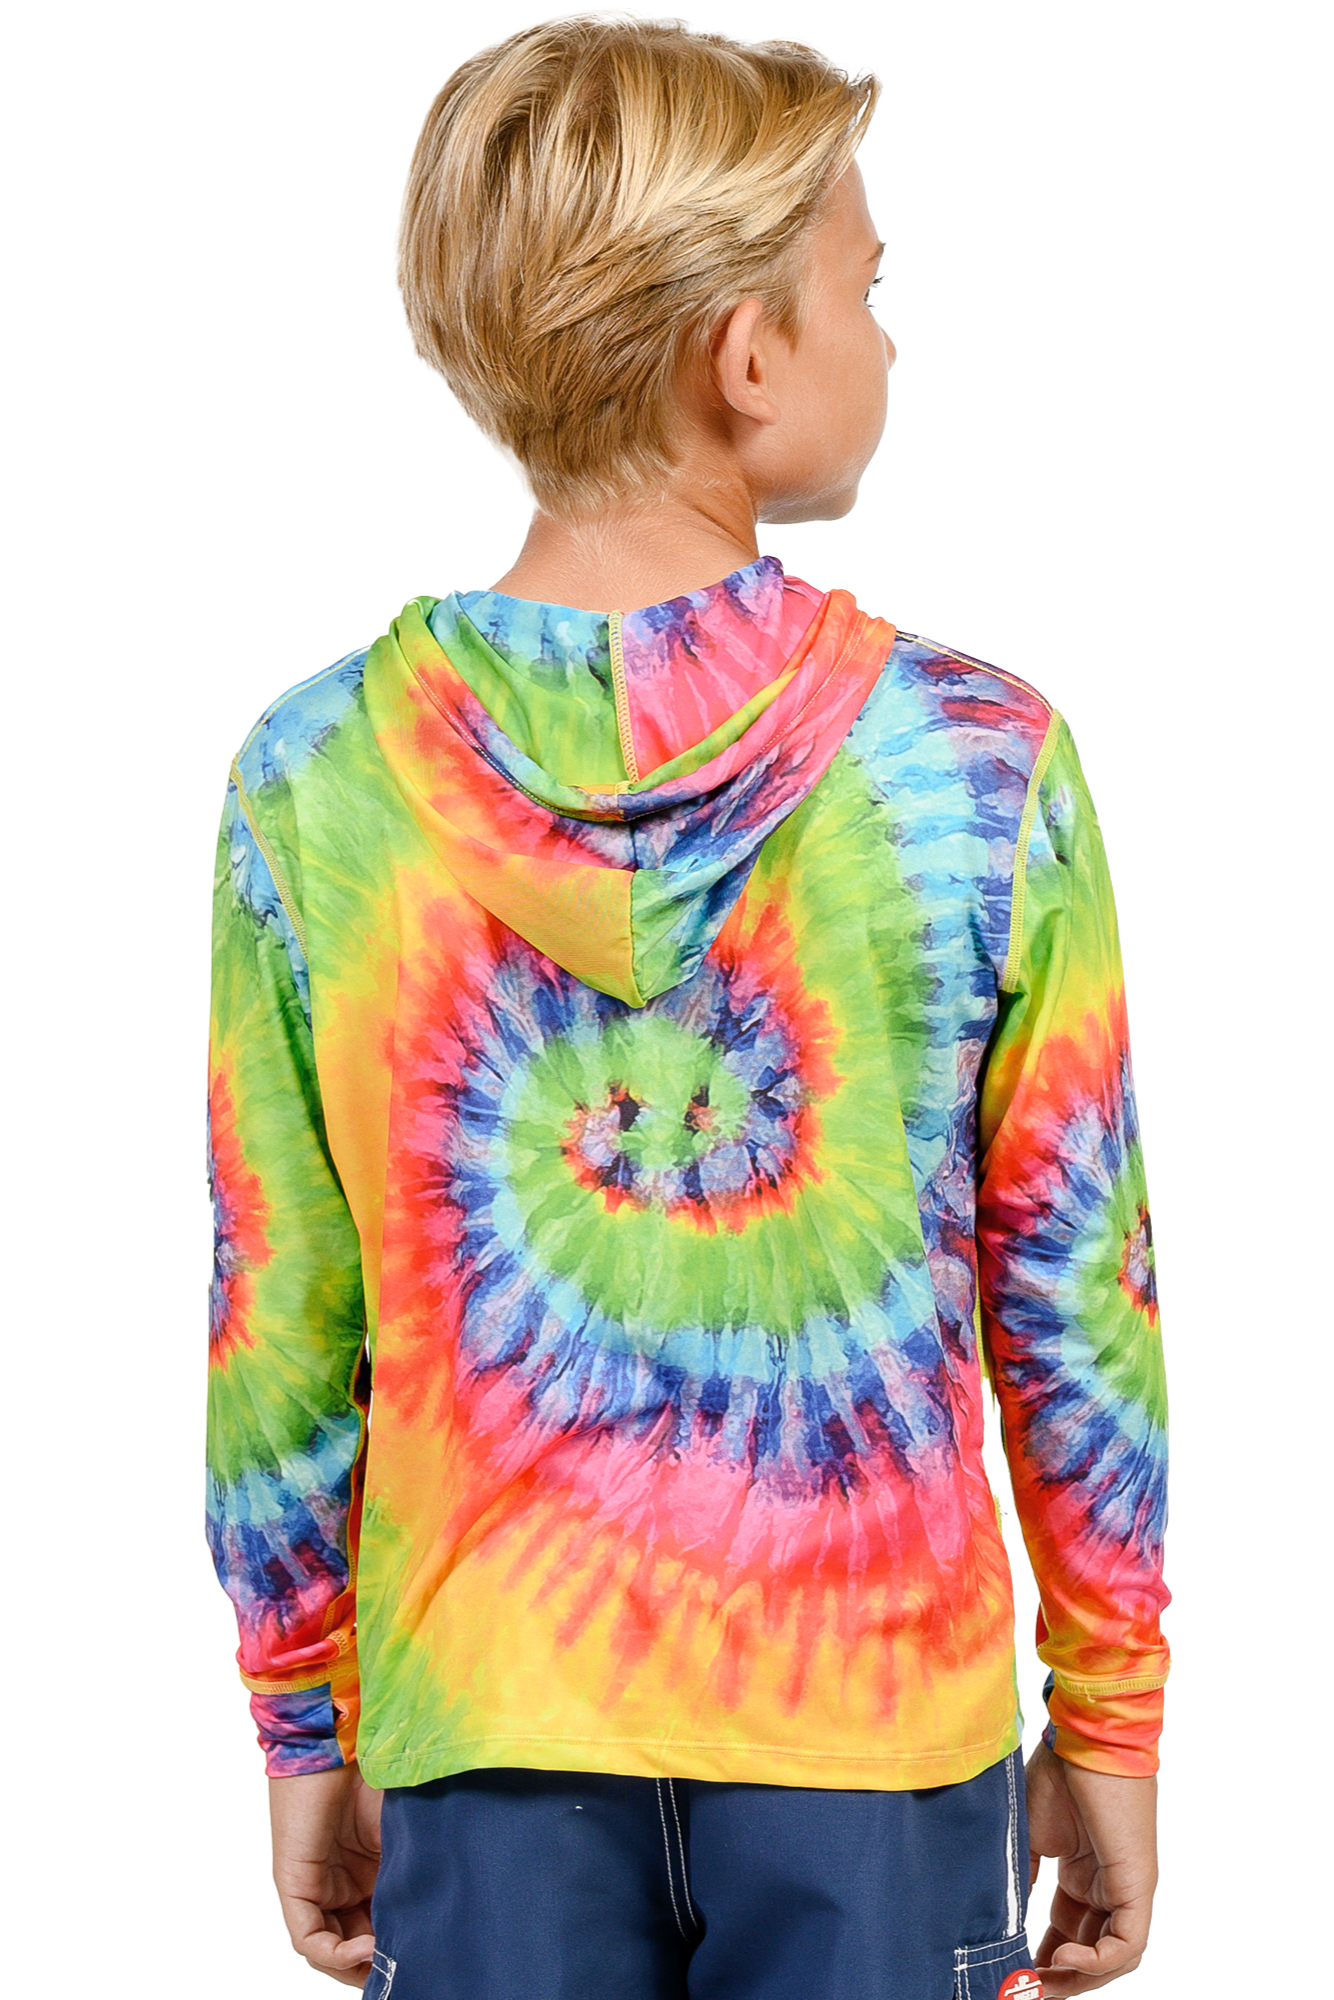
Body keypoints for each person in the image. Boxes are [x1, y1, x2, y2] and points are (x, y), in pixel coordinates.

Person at [206, 19, 1169, 1999]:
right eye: (866, 286)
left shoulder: (313, 778)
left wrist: (304, 1721)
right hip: (874, 1735)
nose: (885, 335)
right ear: (747, 356)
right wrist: (1110, 1715)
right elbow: (1075, 1289)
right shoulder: (974, 762)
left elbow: (278, 1309)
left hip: (483, 1720)